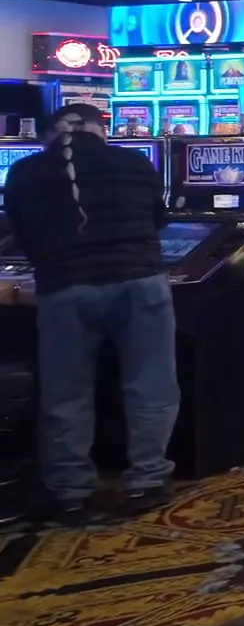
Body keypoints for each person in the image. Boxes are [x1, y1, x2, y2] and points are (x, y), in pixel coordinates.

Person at [4, 103, 177, 524]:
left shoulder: (24, 173)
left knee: (67, 393)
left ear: (48, 136)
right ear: (102, 130)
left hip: (66, 287)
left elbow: (21, 237)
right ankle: (147, 480)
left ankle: (71, 492)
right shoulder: (134, 162)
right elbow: (160, 220)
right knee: (149, 386)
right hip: (140, 282)